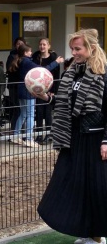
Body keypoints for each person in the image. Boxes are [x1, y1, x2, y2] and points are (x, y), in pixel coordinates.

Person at [37, 29, 107, 244]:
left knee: (97, 190)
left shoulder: (103, 75)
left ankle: (98, 236)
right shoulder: (73, 73)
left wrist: (106, 140)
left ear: (91, 49)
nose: (74, 53)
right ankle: (87, 233)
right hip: (73, 139)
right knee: (73, 186)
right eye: (72, 49)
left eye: (78, 49)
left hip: (95, 142)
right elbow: (65, 104)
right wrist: (47, 98)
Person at [10, 44, 62, 148]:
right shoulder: (27, 61)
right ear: (25, 53)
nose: (31, 53)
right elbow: (43, 69)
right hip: (28, 90)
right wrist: (56, 62)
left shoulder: (19, 61)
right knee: (30, 115)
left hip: (20, 89)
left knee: (23, 114)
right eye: (29, 51)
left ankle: (15, 136)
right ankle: (29, 139)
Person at [31, 38, 60, 144]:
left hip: (49, 90)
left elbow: (56, 76)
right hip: (38, 90)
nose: (42, 46)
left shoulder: (53, 58)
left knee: (48, 113)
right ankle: (38, 135)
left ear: (48, 46)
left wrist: (53, 91)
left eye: (44, 44)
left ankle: (49, 135)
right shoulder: (35, 57)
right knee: (39, 113)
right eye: (40, 44)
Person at [6, 37, 26, 130]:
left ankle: (23, 130)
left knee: (24, 109)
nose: (19, 45)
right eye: (18, 44)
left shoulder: (26, 56)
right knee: (16, 109)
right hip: (14, 86)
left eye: (21, 44)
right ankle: (14, 130)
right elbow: (10, 70)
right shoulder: (11, 56)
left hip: (24, 86)